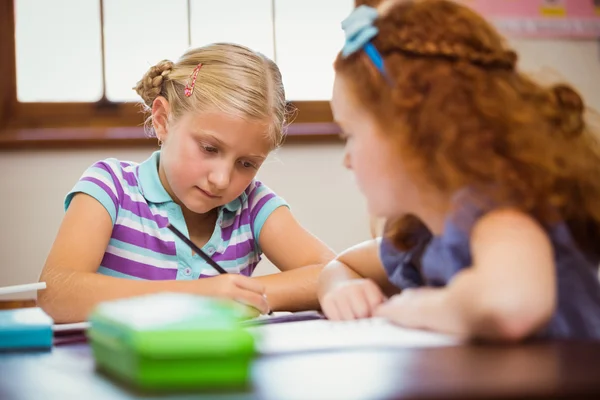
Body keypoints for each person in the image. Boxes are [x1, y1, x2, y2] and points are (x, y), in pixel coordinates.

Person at [318, 0, 600, 341]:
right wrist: (341, 288)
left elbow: (513, 305)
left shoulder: (498, 213)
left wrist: (416, 306)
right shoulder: (423, 233)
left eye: (350, 134)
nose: (347, 159)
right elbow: (340, 265)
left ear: (413, 132)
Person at [39, 43, 335, 323]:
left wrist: (236, 297)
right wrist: (201, 296)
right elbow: (56, 293)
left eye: (246, 164)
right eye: (209, 148)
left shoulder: (253, 206)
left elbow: (333, 272)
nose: (221, 180)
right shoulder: (110, 187)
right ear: (162, 120)